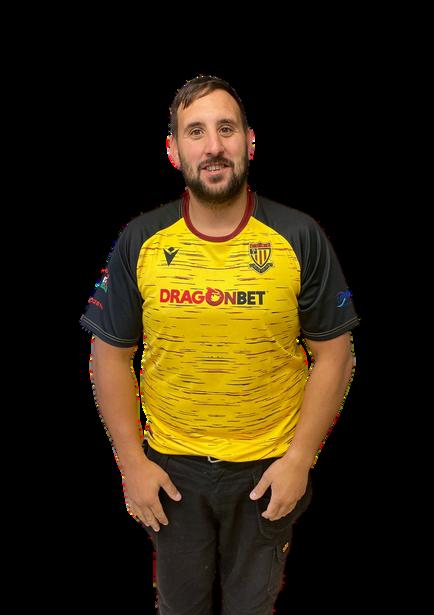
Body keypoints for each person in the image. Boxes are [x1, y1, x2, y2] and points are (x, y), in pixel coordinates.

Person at [80, 75, 360, 615]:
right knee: (179, 608)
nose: (213, 146)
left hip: (267, 469)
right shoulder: (140, 240)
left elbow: (335, 354)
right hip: (171, 473)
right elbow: (109, 354)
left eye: (226, 129)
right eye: (196, 132)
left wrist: (300, 459)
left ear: (249, 142)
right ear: (173, 150)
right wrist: (131, 463)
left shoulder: (299, 236)